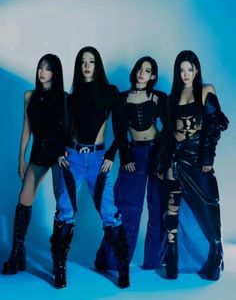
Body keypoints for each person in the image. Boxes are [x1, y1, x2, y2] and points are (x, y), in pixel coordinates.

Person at [52, 46, 130, 289]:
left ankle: (123, 267)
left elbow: (121, 127)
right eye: (83, 62)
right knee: (65, 209)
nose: (87, 66)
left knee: (108, 210)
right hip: (74, 157)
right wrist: (60, 150)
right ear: (79, 66)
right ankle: (60, 268)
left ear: (98, 65)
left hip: (98, 159)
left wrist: (111, 154)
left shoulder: (110, 92)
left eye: (92, 61)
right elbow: (64, 128)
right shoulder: (72, 97)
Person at [156, 50, 229, 280]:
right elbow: (168, 133)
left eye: (190, 69)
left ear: (196, 70)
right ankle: (173, 258)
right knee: (172, 204)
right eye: (181, 70)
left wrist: (207, 159)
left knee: (209, 205)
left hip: (197, 157)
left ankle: (215, 256)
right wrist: (161, 161)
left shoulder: (207, 90)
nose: (185, 74)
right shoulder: (173, 97)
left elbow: (214, 126)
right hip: (175, 156)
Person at [95, 56, 167, 271]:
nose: (142, 73)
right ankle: (114, 259)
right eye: (139, 69)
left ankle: (154, 260)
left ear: (153, 76)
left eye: (147, 70)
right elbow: (119, 131)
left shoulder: (159, 97)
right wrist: (121, 156)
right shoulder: (122, 97)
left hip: (156, 153)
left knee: (158, 206)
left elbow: (170, 129)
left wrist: (164, 158)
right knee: (126, 206)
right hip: (133, 154)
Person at [2, 54, 66, 276]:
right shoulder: (29, 96)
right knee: (24, 198)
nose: (42, 72)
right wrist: (21, 157)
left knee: (62, 202)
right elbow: (26, 129)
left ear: (54, 73)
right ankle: (17, 252)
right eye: (40, 67)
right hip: (39, 152)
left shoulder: (64, 98)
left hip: (59, 154)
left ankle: (59, 257)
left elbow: (68, 130)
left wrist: (67, 154)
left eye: (47, 69)